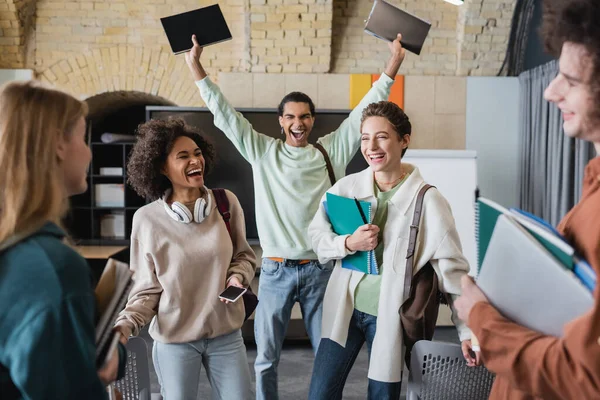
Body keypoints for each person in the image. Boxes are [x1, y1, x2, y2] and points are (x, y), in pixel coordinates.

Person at [185, 34, 406, 400]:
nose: (298, 123)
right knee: (266, 359)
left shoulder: (330, 149)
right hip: (273, 270)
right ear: (281, 122)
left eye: (304, 116)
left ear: (313, 120)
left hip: (321, 269)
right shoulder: (262, 151)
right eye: (290, 117)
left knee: (327, 357)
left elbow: (366, 108)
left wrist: (392, 66)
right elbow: (223, 114)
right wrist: (196, 67)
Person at [454, 0, 600, 399]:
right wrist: (494, 330)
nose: (551, 92)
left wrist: (483, 320)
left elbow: (585, 378)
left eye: (570, 80)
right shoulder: (593, 183)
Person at [307, 101, 478, 399]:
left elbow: (454, 275)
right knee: (320, 393)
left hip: (389, 316)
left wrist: (468, 332)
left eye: (382, 136)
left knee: (382, 395)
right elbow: (316, 236)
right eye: (364, 137)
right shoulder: (345, 188)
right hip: (345, 310)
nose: (371, 146)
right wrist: (347, 243)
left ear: (404, 140)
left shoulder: (429, 201)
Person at [114, 118, 257, 399]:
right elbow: (146, 289)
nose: (195, 161)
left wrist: (238, 275)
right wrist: (126, 323)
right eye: (183, 156)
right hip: (175, 341)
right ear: (161, 167)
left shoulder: (226, 203)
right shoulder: (146, 220)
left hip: (225, 336)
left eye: (197, 153)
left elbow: (244, 256)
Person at [0, 81, 125, 398]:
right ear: (58, 144)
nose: (89, 152)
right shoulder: (54, 268)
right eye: (83, 138)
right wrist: (102, 366)